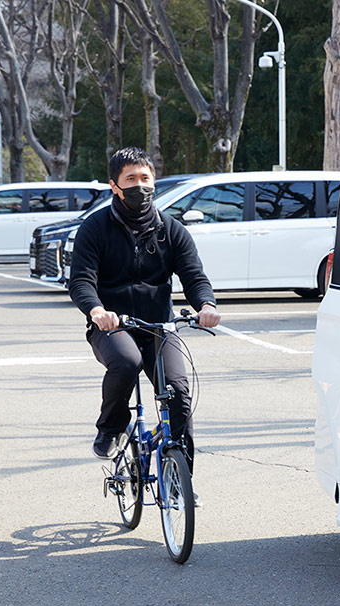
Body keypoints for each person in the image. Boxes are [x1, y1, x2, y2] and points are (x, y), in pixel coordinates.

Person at [68, 147, 221, 474]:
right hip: (111, 326)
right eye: (131, 179)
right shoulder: (95, 228)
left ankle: (181, 477)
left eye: (145, 178)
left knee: (178, 389)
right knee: (127, 362)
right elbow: (81, 280)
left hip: (159, 326)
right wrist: (96, 311)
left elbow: (194, 276)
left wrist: (206, 304)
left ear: (154, 182)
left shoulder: (171, 229)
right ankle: (111, 427)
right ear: (115, 186)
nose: (140, 185)